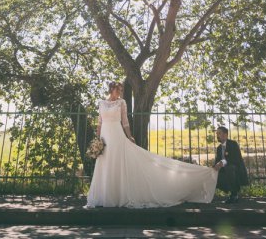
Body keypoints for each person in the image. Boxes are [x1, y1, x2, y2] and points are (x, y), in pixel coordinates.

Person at [86, 81, 218, 208]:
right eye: (117, 90)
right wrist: (97, 140)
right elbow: (100, 123)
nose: (119, 92)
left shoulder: (122, 103)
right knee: (105, 164)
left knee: (117, 163)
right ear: (111, 90)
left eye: (121, 90)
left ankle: (117, 196)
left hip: (117, 136)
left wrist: (129, 136)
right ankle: (104, 196)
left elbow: (125, 122)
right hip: (104, 137)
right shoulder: (102, 103)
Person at [213, 126, 248, 204]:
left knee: (230, 168)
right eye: (216, 134)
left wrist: (222, 162)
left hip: (235, 170)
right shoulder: (219, 148)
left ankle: (234, 195)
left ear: (225, 135)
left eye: (219, 133)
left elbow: (235, 159)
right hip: (224, 171)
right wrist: (215, 167)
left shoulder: (233, 144)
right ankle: (209, 195)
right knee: (210, 171)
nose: (217, 135)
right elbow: (216, 162)